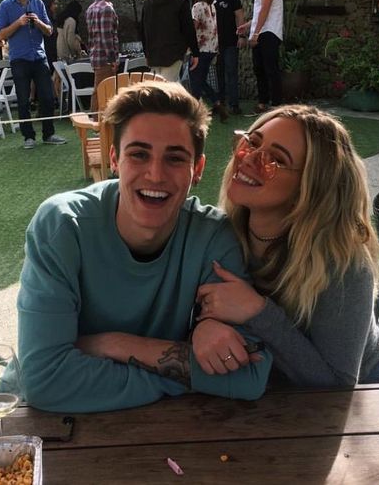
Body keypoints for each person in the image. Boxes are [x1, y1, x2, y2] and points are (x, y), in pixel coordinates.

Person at [16, 81, 272, 412]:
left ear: (198, 170)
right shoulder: (63, 226)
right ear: (114, 159)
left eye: (175, 159)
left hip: (163, 438)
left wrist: (113, 344)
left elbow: (249, 376)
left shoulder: (213, 238)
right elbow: (44, 381)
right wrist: (188, 369)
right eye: (139, 154)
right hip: (49, 427)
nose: (155, 174)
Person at [194, 105, 379, 386]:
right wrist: (201, 327)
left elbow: (338, 385)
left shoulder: (342, 261)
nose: (249, 159)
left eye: (274, 159)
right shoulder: (220, 233)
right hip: (267, 391)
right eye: (251, 142)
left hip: (365, 392)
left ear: (309, 188)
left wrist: (257, 310)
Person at [0, 0, 65, 149]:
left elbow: (49, 31)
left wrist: (38, 22)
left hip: (39, 57)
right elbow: (1, 35)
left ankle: (48, 133)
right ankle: (28, 137)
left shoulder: (38, 3)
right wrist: (18, 23)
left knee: (48, 97)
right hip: (19, 59)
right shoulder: (5, 6)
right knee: (24, 100)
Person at [236, 0, 284, 113]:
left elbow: (265, 8)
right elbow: (260, 13)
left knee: (270, 69)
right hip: (262, 31)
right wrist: (248, 26)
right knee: (260, 69)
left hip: (268, 32)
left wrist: (256, 33)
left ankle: (276, 103)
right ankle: (263, 102)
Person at [141, 0, 199, 82]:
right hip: (174, 52)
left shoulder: (148, 2)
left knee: (157, 88)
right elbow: (188, 29)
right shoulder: (181, 1)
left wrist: (146, 52)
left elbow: (143, 29)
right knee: (168, 88)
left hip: (153, 53)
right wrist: (195, 52)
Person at [190, 0, 227, 121]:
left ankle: (195, 113)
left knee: (195, 82)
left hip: (200, 49)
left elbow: (193, 29)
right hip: (212, 48)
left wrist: (190, 49)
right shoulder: (211, 5)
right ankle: (217, 103)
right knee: (201, 80)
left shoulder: (197, 7)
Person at [209, 0, 244, 116]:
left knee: (231, 71)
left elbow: (240, 15)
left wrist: (241, 35)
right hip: (214, 44)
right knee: (218, 73)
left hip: (230, 41)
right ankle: (220, 103)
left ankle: (234, 104)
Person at [85, 0, 119, 111]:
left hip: (95, 55)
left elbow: (90, 36)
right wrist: (113, 60)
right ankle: (97, 126)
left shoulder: (91, 8)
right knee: (103, 91)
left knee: (100, 90)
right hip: (105, 59)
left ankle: (98, 125)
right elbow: (106, 37)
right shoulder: (106, 8)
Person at [43, 0, 59, 65]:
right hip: (48, 53)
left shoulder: (52, 18)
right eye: (54, 4)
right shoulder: (44, 20)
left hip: (53, 52)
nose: (56, 6)